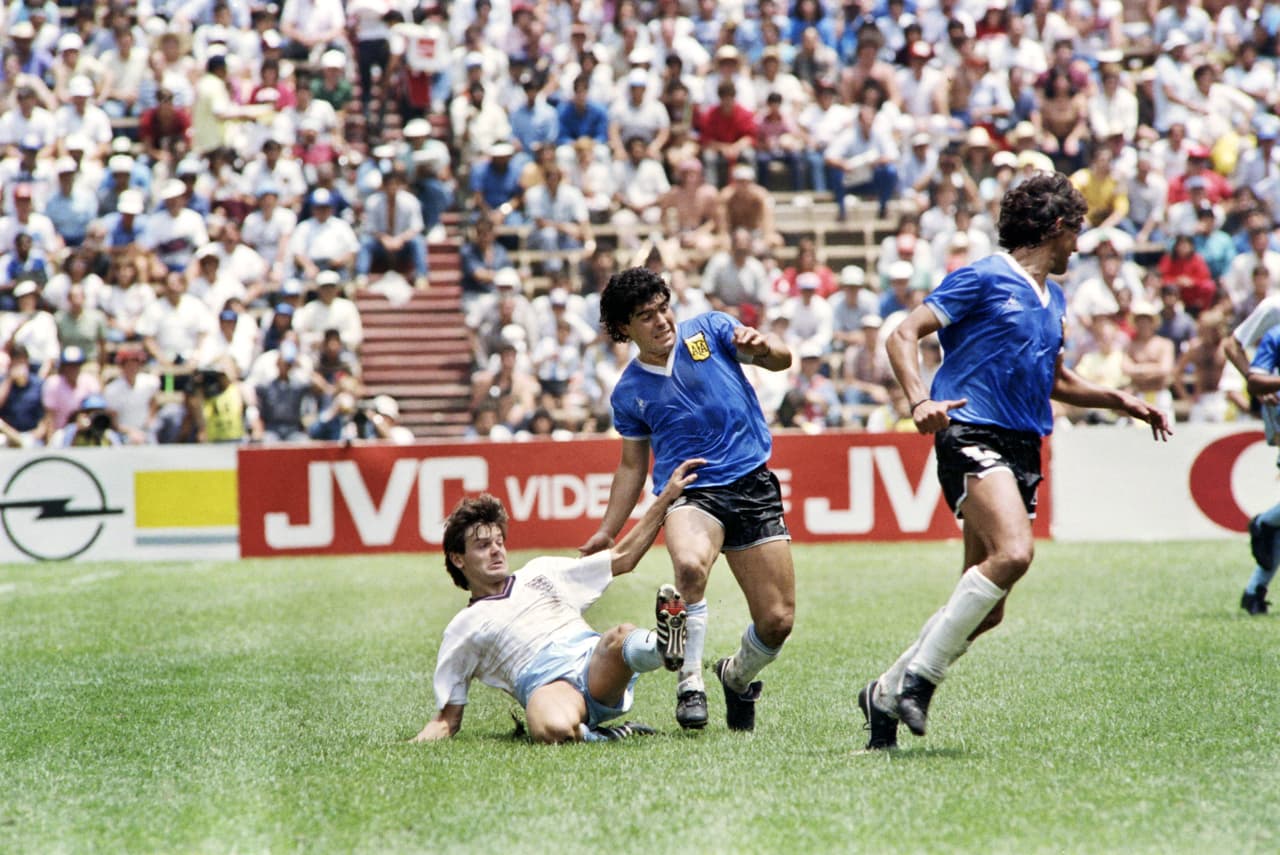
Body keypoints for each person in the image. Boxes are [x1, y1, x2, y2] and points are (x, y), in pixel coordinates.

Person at [857, 173, 1172, 750]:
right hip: (971, 430)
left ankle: (884, 690)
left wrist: (1120, 399)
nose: (1079, 245)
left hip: (1024, 444)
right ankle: (919, 683)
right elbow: (903, 334)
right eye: (1077, 231)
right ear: (1056, 229)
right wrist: (919, 399)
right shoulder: (983, 275)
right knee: (1015, 553)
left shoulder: (1055, 299)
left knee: (988, 611)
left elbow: (1055, 379)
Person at [580, 267, 796, 733]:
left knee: (777, 621)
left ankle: (734, 676)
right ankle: (690, 684)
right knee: (691, 567)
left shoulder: (711, 331)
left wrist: (765, 347)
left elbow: (782, 360)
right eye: (645, 316)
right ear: (624, 330)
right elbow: (632, 467)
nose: (661, 321)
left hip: (752, 484)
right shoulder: (629, 392)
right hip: (691, 492)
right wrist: (606, 529)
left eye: (663, 308)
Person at [413, 458, 705, 744]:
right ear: (457, 558)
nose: (496, 551)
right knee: (549, 727)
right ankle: (606, 734)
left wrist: (666, 498)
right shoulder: (462, 628)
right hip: (548, 685)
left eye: (499, 542)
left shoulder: (541, 571)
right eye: (482, 546)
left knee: (619, 636)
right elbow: (447, 720)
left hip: (593, 663)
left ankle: (662, 646)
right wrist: (412, 745)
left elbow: (622, 557)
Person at [1224, 297, 1280, 614]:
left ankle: (1254, 590)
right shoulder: (1273, 308)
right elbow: (1232, 346)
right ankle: (1266, 521)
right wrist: (1256, 385)